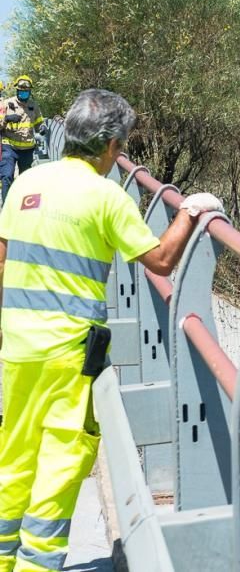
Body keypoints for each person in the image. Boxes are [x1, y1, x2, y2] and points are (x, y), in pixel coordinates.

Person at [0, 89, 224, 572]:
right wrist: (190, 212)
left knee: (14, 451)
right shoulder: (106, 195)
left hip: (16, 342)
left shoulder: (26, 183)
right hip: (68, 353)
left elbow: (1, 257)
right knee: (61, 462)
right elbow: (160, 260)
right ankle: (36, 566)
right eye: (121, 147)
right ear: (110, 146)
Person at [1, 77, 45, 205]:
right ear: (16, 91)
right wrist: (7, 119)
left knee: (25, 179)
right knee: (7, 176)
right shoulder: (6, 104)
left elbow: (39, 123)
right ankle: (6, 206)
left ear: (30, 92)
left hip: (27, 149)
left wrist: (42, 128)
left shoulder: (34, 106)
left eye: (26, 92)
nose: (23, 94)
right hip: (9, 146)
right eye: (21, 91)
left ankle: (22, 207)